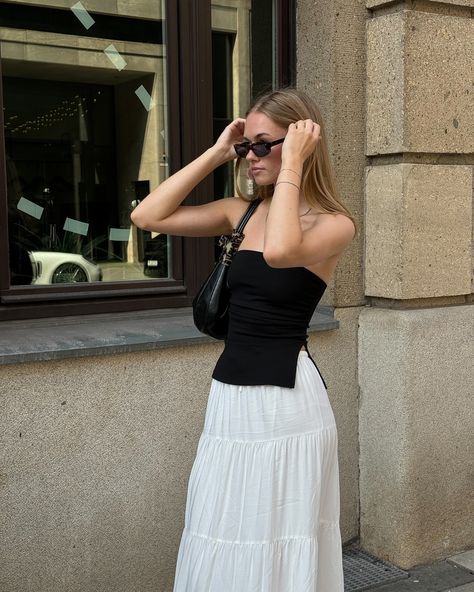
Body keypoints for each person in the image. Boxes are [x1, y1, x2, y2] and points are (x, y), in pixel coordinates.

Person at [131, 86, 356, 591]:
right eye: (246, 146)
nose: (251, 156)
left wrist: (294, 162)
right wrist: (217, 151)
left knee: (280, 531)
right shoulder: (241, 212)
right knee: (222, 524)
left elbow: (279, 252)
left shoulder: (334, 224)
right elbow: (146, 217)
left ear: (300, 145)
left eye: (263, 145)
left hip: (287, 401)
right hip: (231, 397)